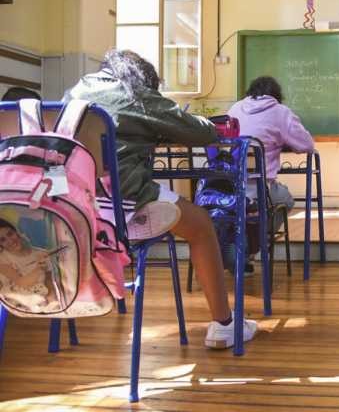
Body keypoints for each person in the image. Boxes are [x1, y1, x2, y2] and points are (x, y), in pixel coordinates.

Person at [64, 49, 258, 349]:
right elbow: (201, 133)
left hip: (74, 209)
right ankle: (224, 324)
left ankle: (63, 330)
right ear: (142, 78)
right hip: (124, 207)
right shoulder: (135, 93)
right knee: (201, 225)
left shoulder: (75, 92)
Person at [228, 76, 315, 216]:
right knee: (287, 199)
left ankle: (247, 233)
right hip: (260, 189)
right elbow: (307, 145)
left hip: (230, 187)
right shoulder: (281, 111)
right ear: (277, 94)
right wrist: (283, 142)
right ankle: (261, 236)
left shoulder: (234, 108)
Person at [0, 217, 53, 312]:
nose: (10, 241)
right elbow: (21, 283)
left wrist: (51, 294)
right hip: (20, 296)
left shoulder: (38, 253)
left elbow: (49, 276)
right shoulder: (3, 259)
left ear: (16, 232)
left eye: (10, 234)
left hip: (44, 292)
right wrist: (39, 268)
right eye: (3, 240)